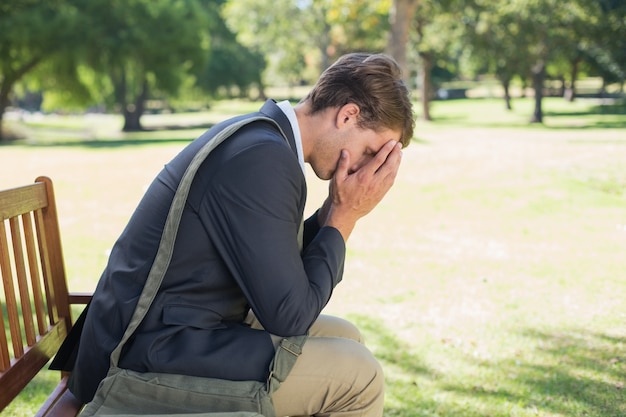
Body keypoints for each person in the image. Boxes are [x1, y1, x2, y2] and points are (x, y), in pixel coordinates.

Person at [68, 52, 415, 417]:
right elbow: (288, 316)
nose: (366, 168)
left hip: (175, 329)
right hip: (141, 356)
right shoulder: (263, 158)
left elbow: (280, 276)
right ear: (348, 115)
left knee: (345, 338)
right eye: (371, 152)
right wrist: (345, 217)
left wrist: (336, 211)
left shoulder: (263, 139)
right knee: (357, 376)